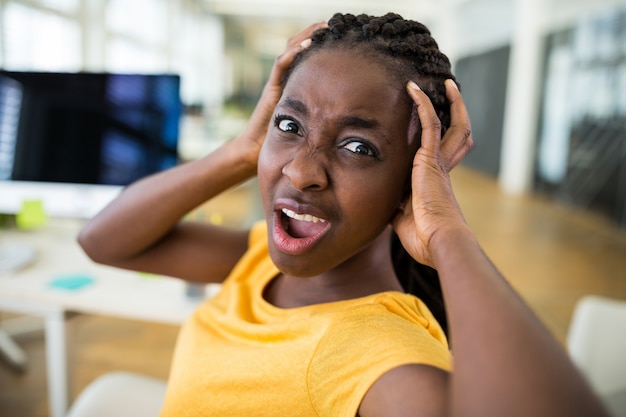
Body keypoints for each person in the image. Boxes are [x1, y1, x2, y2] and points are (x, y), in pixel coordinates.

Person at [78, 12, 609, 417]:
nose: (302, 171)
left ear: (410, 183)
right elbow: (103, 241)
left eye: (358, 147)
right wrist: (243, 149)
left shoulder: (375, 355)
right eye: (290, 127)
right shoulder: (260, 257)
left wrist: (447, 232)